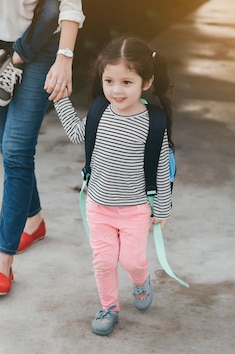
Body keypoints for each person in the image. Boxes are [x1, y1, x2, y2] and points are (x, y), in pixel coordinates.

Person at [0, 0, 85, 296]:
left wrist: (64, 58)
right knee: (9, 147)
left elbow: (65, 5)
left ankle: (2, 263)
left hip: (42, 44)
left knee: (16, 151)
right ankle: (34, 220)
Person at [53, 36, 174, 336]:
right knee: (104, 261)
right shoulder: (99, 112)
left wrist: (162, 208)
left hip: (135, 209)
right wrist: (59, 98)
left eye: (126, 82)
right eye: (109, 80)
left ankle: (140, 279)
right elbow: (76, 133)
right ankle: (109, 307)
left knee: (132, 260)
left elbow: (161, 169)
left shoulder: (154, 123)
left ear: (146, 82)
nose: (116, 90)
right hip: (99, 206)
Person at [0, 0, 61, 107]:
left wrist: (64, 57)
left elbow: (56, 9)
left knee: (18, 124)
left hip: (34, 35)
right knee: (0, 123)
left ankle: (14, 60)